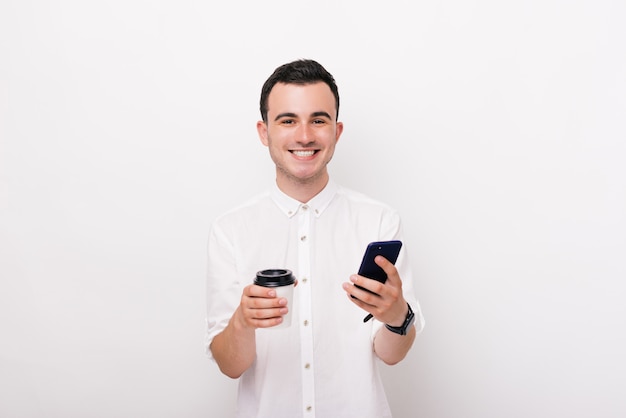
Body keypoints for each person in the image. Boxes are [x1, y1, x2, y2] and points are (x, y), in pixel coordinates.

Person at [205, 59, 424, 418]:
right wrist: (243, 322)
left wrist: (397, 316)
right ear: (264, 132)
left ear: (336, 131)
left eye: (318, 120)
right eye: (288, 120)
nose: (304, 136)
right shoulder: (230, 230)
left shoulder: (380, 221)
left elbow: (391, 354)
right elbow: (230, 365)